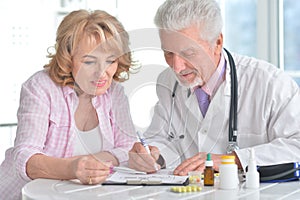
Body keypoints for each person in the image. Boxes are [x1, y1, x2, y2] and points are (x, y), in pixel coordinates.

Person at [128, 0, 300, 176]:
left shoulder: (270, 83)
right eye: (168, 53)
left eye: (188, 53)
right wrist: (152, 155)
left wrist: (234, 160)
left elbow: (297, 144)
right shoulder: (167, 81)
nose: (177, 67)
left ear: (217, 43)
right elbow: (162, 138)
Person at [0, 9, 136, 199]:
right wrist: (73, 167)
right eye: (89, 62)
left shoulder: (115, 92)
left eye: (110, 60)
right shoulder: (40, 87)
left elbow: (128, 147)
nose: (102, 73)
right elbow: (24, 157)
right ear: (67, 57)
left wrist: (96, 162)